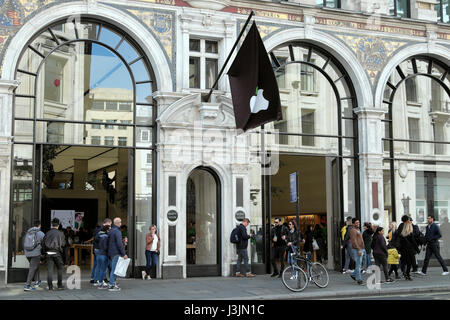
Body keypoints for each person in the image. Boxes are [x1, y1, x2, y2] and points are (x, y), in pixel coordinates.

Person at [43, 218, 66, 290]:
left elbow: (43, 244)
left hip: (48, 253)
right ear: (58, 225)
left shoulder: (47, 233)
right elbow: (63, 244)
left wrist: (44, 252)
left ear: (52, 224)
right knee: (60, 268)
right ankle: (59, 285)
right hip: (57, 253)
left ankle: (50, 286)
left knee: (50, 270)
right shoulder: (61, 233)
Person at [23, 220, 45, 291]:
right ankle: (27, 285)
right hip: (35, 253)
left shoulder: (28, 232)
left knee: (35, 266)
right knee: (33, 268)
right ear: (39, 225)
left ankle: (37, 281)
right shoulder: (40, 233)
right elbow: (44, 243)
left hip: (27, 252)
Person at [108, 217, 128, 291]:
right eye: (121, 222)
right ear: (119, 223)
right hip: (116, 252)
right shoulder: (117, 231)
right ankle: (112, 285)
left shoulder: (111, 231)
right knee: (115, 269)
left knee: (113, 268)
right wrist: (123, 254)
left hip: (111, 252)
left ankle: (113, 283)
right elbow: (119, 244)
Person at [90, 219, 112, 284]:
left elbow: (95, 239)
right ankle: (100, 279)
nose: (110, 226)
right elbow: (100, 241)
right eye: (110, 224)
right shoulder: (103, 231)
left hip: (97, 249)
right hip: (100, 250)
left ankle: (95, 278)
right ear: (107, 223)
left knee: (97, 264)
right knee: (101, 265)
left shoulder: (98, 230)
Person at [348, 218, 365, 285]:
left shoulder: (358, 229)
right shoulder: (352, 230)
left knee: (360, 264)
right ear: (353, 224)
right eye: (356, 223)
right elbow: (354, 241)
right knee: (358, 265)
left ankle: (353, 274)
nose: (358, 224)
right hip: (357, 249)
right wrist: (358, 249)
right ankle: (359, 280)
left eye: (359, 222)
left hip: (361, 248)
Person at [94, 225, 110, 289]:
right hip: (104, 254)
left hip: (99, 253)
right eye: (109, 229)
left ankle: (98, 281)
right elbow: (105, 247)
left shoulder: (99, 235)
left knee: (99, 268)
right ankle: (101, 283)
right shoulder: (106, 237)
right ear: (107, 230)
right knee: (103, 270)